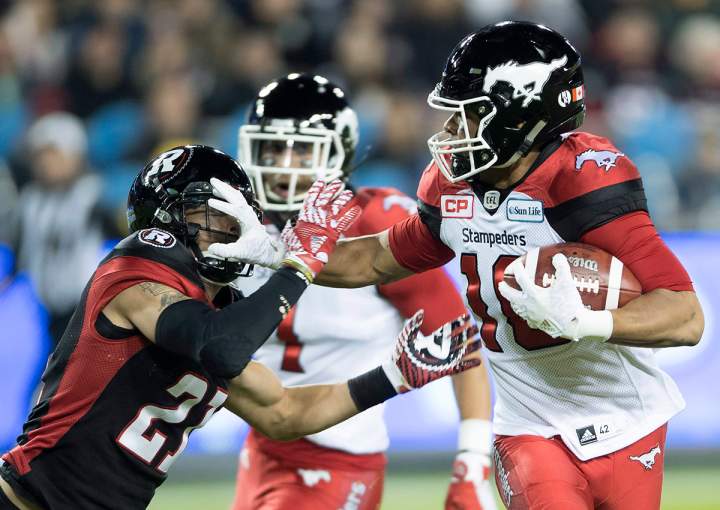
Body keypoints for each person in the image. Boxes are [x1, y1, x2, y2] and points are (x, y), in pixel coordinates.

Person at [230, 23, 705, 510]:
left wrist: (588, 322)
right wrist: (268, 249)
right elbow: (371, 259)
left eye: (469, 115)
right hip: (528, 427)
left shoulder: (582, 182)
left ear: (520, 118)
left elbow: (685, 316)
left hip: (631, 418)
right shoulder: (451, 185)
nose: (450, 132)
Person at [0, 145, 482, 510]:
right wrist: (300, 263)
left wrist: (394, 375)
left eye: (236, 214)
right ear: (165, 217)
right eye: (209, 212)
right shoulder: (133, 273)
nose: (229, 226)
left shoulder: (215, 308)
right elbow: (221, 347)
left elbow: (282, 413)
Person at [220, 73, 496, 510]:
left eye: (302, 150)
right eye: (273, 147)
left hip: (340, 460)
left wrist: (473, 462)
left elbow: (458, 343)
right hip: (260, 446)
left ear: (339, 151)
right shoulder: (233, 227)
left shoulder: (375, 223)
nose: (284, 165)